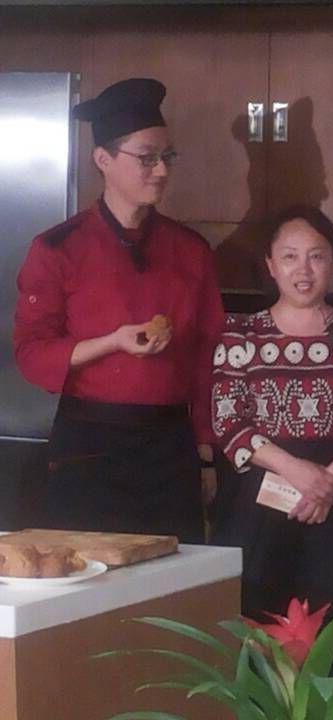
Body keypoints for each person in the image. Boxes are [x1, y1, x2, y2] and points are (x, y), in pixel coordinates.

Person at [14, 78, 223, 542]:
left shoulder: (191, 251)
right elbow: (31, 354)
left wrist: (206, 452)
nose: (161, 170)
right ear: (103, 160)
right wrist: (112, 342)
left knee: (173, 575)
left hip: (170, 446)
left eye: (167, 157)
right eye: (146, 157)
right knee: (88, 574)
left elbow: (207, 360)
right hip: (89, 444)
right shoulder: (58, 248)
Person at [210, 204, 333, 617]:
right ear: (271, 265)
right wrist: (296, 470)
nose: (303, 270)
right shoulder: (242, 335)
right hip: (262, 502)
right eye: (290, 256)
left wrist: (329, 481)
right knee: (259, 628)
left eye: (316, 256)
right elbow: (228, 422)